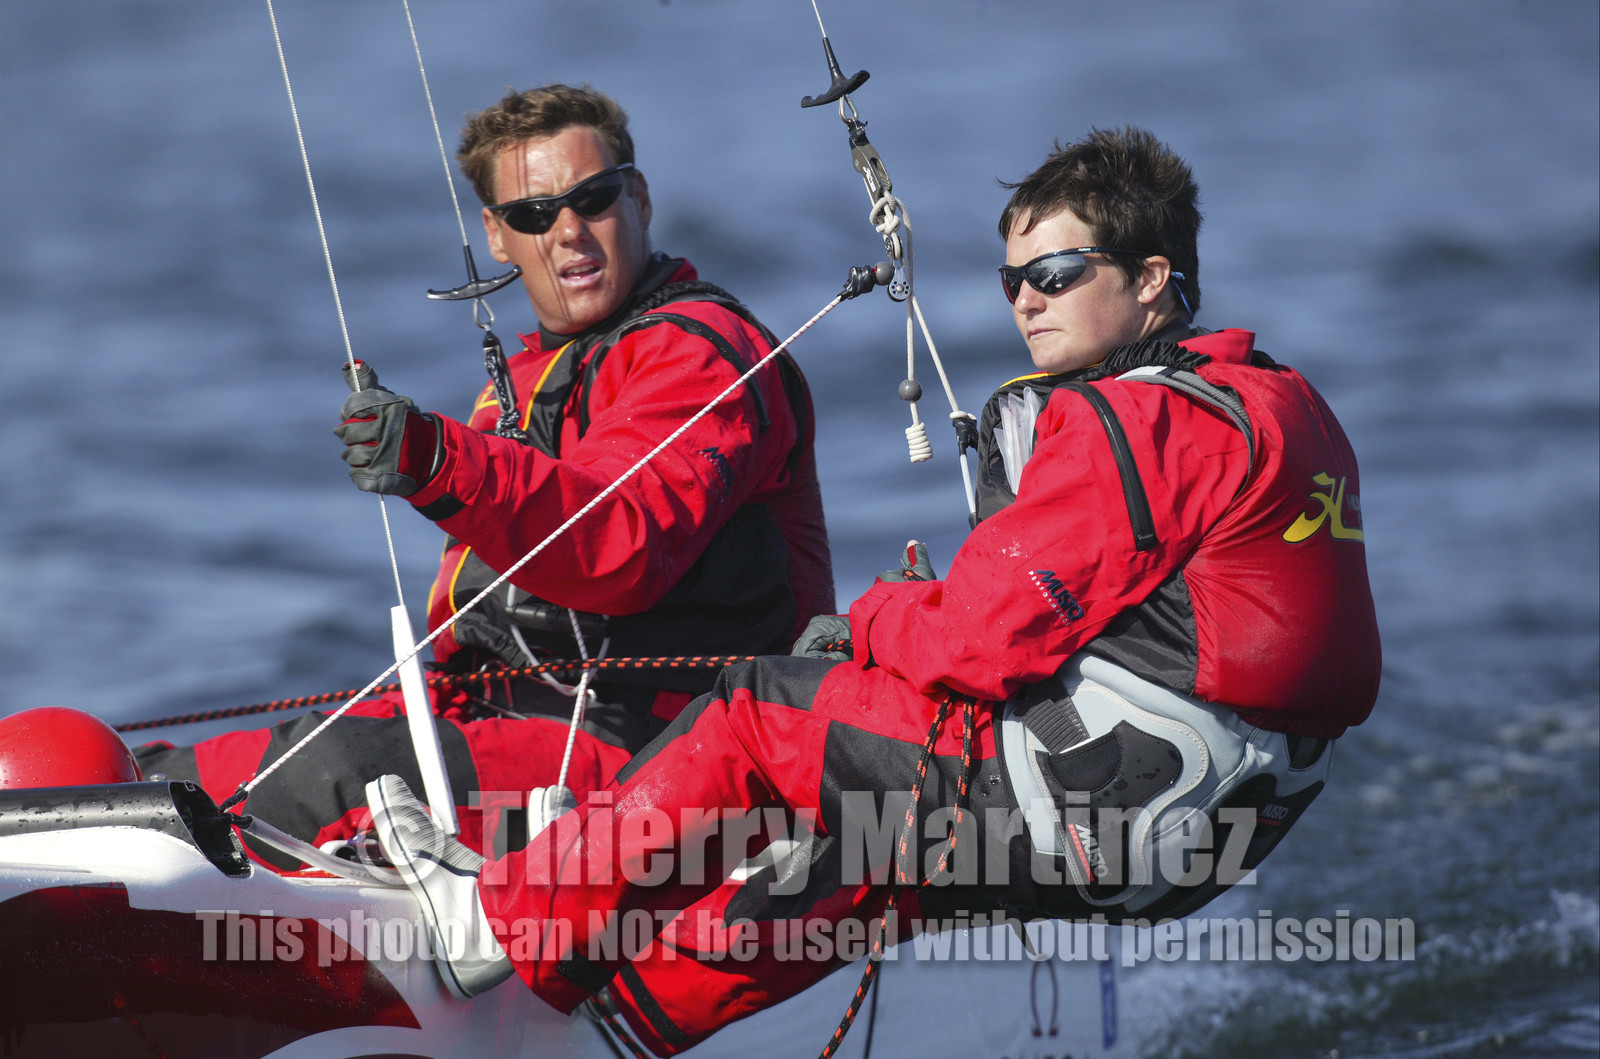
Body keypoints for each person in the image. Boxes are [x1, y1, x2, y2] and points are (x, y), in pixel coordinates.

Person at [368, 126, 1381, 1055]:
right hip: (1197, 846)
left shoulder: (1136, 421)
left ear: (1155, 280)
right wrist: (927, 637)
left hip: (1086, 811)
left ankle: (494, 924)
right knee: (862, 850)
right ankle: (617, 1036)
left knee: (762, 710)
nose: (1026, 300)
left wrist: (871, 622)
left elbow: (980, 643)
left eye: (1058, 274)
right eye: (1012, 279)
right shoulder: (1282, 404)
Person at [134, 84, 834, 870]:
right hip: (513, 728)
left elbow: (614, 539)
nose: (570, 232)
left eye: (593, 199)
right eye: (535, 214)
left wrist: (437, 459)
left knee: (334, 779)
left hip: (671, 760)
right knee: (158, 781)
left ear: (637, 197)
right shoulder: (530, 380)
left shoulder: (700, 351)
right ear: (498, 236)